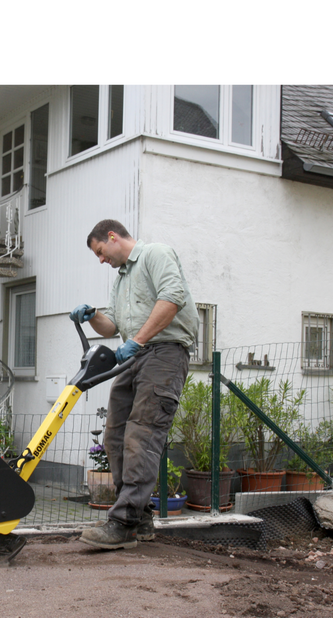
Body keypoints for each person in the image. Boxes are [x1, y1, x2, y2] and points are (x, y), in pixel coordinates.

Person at [73, 219, 199, 550]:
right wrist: (92, 315)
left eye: (101, 252)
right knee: (115, 435)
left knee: (141, 435)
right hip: (136, 356)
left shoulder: (156, 254)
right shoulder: (122, 280)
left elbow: (172, 298)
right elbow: (112, 324)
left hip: (165, 354)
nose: (101, 260)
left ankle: (123, 522)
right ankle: (140, 516)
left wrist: (138, 339)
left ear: (112, 237)